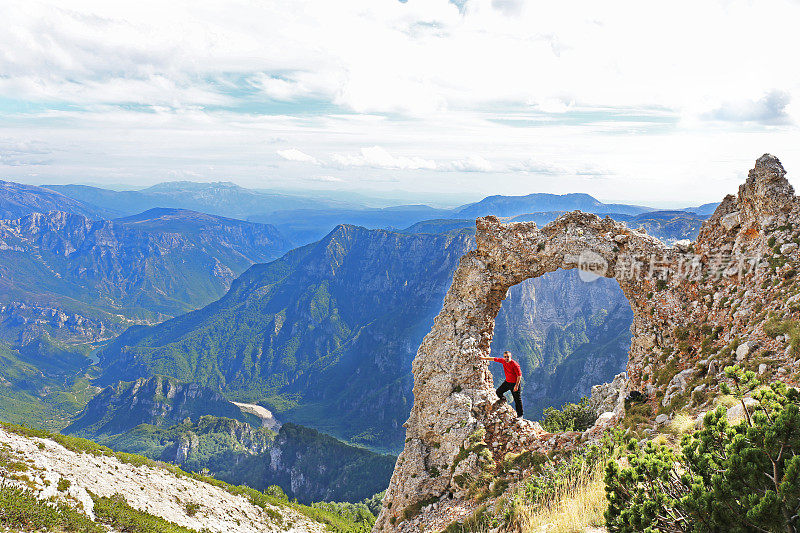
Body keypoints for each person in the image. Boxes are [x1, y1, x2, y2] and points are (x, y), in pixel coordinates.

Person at [479, 351, 523, 418]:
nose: (506, 358)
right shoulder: (503, 361)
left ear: (510, 357)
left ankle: (520, 415)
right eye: (505, 357)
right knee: (498, 392)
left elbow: (519, 376)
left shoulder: (515, 364)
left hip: (514, 383)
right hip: (507, 382)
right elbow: (493, 359)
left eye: (508, 356)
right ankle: (503, 399)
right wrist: (483, 358)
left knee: (517, 400)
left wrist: (516, 386)